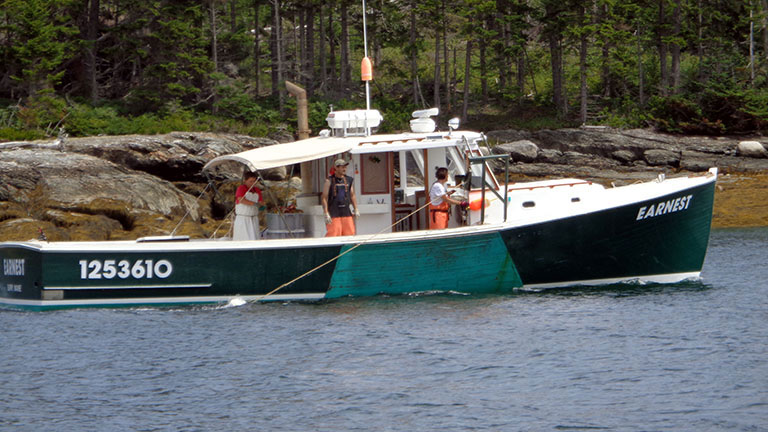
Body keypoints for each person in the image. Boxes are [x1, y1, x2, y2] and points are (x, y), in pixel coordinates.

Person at [322, 158, 359, 237]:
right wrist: (326, 213)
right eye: (342, 167)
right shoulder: (329, 181)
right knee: (334, 233)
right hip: (333, 212)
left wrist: (356, 208)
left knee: (350, 233)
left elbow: (352, 195)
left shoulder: (349, 180)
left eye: (345, 167)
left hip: (346, 212)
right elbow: (324, 198)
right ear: (336, 168)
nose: (344, 169)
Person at [233, 171, 264, 240]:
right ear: (245, 181)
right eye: (250, 181)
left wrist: (261, 205)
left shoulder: (257, 190)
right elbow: (241, 199)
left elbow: (261, 201)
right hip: (243, 219)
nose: (252, 183)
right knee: (243, 238)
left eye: (254, 181)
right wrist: (253, 203)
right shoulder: (241, 188)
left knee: (254, 238)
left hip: (254, 218)